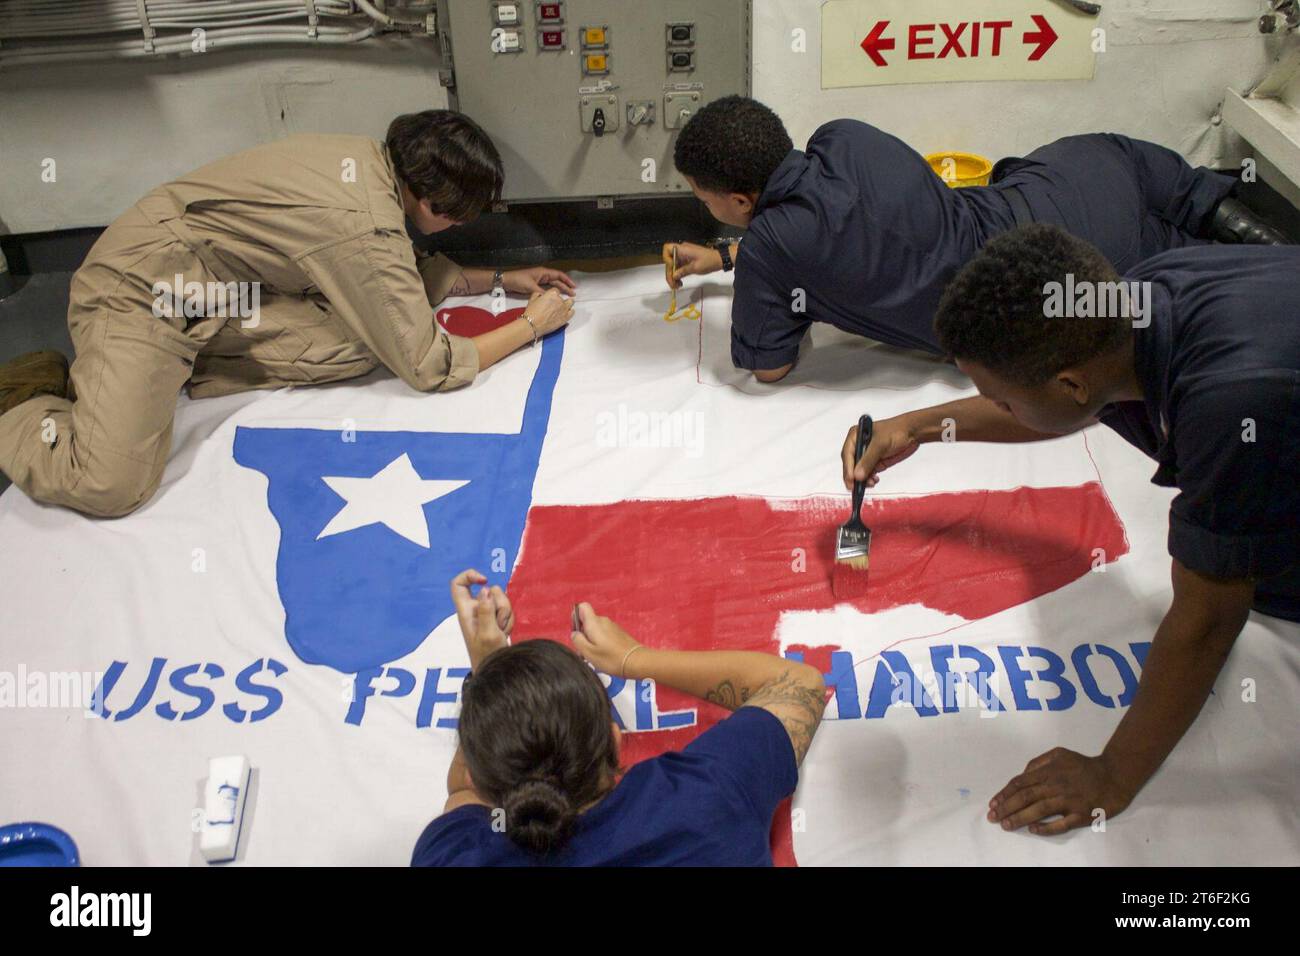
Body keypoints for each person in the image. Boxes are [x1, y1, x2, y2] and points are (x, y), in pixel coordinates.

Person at [840, 223, 1299, 835]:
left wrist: (1113, 774)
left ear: (1071, 382)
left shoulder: (1230, 403)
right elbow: (1066, 402)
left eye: (998, 400)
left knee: (1255, 575)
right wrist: (921, 425)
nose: (995, 408)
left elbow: (1210, 619)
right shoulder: (1129, 306)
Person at [0, 110, 576, 518]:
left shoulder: (370, 165)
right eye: (460, 217)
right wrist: (531, 325)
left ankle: (177, 372)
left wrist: (503, 279)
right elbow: (430, 365)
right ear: (429, 201)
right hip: (143, 292)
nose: (461, 226)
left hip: (217, 290)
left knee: (355, 340)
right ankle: (27, 404)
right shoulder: (367, 226)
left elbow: (399, 270)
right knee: (112, 483)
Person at [667, 96, 1284, 384]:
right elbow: (839, 226)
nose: (708, 208)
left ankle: (1256, 264)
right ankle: (1241, 220)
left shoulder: (773, 248)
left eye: (706, 200)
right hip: (1074, 180)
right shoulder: (843, 135)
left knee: (1185, 279)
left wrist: (752, 274)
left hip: (1056, 272)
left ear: (740, 200)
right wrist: (727, 257)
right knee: (1140, 173)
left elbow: (769, 367)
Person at [411, 569, 827, 866]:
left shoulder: (452, 855)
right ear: (614, 741)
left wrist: (492, 674)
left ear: (480, 779)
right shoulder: (705, 798)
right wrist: (634, 657)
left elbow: (460, 797)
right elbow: (799, 685)